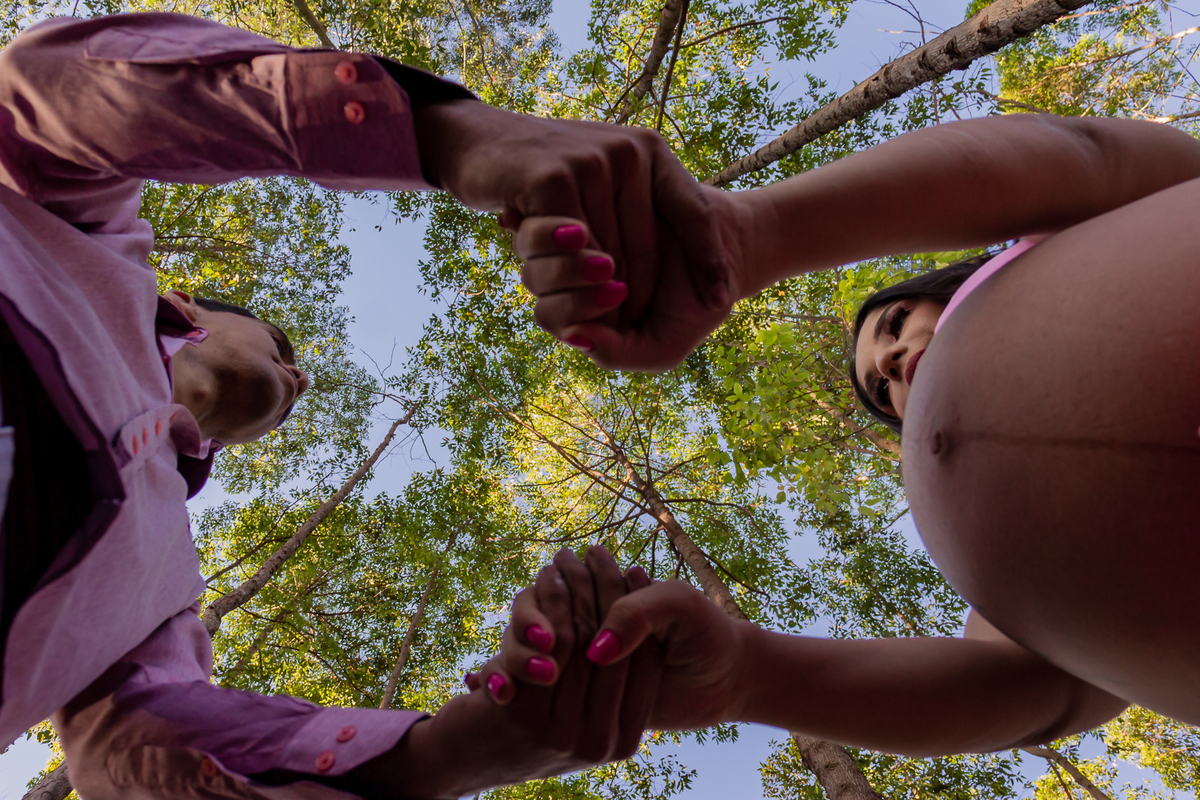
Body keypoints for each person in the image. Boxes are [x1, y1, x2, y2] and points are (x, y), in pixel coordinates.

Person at [0, 10, 717, 799]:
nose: (299, 379)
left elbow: (124, 746)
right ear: (187, 306)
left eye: (293, 381)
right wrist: (452, 137)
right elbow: (44, 93)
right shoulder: (78, 238)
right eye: (282, 344)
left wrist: (442, 757)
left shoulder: (162, 593)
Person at [509, 113, 1200, 750]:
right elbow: (1041, 695)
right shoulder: (1003, 568)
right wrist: (748, 676)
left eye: (895, 324)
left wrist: (750, 234)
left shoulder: (1075, 230)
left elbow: (1091, 157)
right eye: (881, 388)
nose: (891, 362)